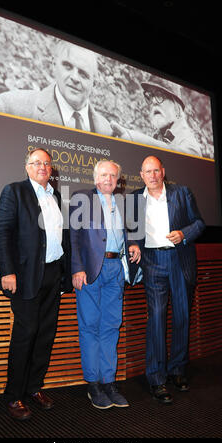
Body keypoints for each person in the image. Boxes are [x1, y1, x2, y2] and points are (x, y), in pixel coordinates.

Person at [0, 147, 72, 420]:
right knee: (25, 335)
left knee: (45, 335)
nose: (42, 167)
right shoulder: (13, 191)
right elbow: (3, 232)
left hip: (52, 275)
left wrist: (65, 272)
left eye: (47, 163)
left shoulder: (56, 196)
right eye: (36, 163)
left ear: (51, 169)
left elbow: (63, 238)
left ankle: (34, 387)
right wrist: (8, 271)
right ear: (27, 167)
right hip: (25, 276)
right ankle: (14, 395)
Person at [132, 155, 205, 404]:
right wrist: (133, 246)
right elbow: (129, 232)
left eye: (156, 170)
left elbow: (199, 223)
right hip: (152, 262)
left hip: (179, 260)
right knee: (156, 319)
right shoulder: (133, 199)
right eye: (147, 172)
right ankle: (156, 377)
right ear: (141, 175)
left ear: (163, 172)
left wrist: (183, 233)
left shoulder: (182, 193)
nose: (152, 175)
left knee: (182, 317)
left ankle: (177, 370)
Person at [69, 160, 141, 409]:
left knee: (111, 326)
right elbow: (75, 236)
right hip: (90, 270)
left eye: (112, 175)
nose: (108, 178)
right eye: (103, 174)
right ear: (95, 177)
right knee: (89, 326)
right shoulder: (81, 198)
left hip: (115, 269)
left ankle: (109, 382)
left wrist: (132, 243)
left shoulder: (122, 202)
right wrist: (77, 268)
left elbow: (125, 233)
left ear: (118, 179)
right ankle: (94, 384)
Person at [0, 40, 112, 136]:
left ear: (94, 83)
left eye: (83, 73)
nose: (74, 78)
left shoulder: (108, 130)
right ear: (54, 65)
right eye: (68, 67)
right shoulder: (9, 106)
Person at [111, 76, 202, 157]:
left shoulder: (189, 145)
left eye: (159, 95)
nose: (153, 102)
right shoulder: (158, 135)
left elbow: (175, 155)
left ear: (177, 108)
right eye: (150, 96)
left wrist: (133, 138)